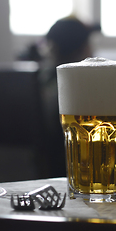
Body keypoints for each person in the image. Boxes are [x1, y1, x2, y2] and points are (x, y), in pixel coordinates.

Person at [19, 17, 100, 176]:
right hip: (75, 172)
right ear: (82, 49)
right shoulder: (77, 89)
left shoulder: (39, 79)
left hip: (33, 169)